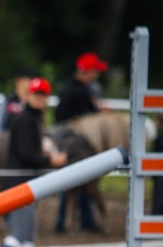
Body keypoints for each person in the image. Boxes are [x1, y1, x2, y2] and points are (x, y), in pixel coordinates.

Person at [0, 77, 67, 247]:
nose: (39, 98)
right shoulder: (25, 120)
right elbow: (25, 154)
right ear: (30, 95)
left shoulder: (32, 120)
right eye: (36, 94)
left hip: (27, 186)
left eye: (42, 95)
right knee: (18, 236)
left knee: (27, 237)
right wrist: (51, 160)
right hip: (20, 187)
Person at [54, 52, 108, 233]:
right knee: (80, 180)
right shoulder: (79, 91)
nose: (96, 76)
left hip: (72, 144)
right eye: (94, 72)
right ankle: (77, 221)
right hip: (75, 146)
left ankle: (73, 220)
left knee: (78, 181)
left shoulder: (70, 89)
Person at [0, 70, 34, 137]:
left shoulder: (33, 104)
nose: (26, 85)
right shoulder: (7, 102)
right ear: (17, 82)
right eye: (23, 83)